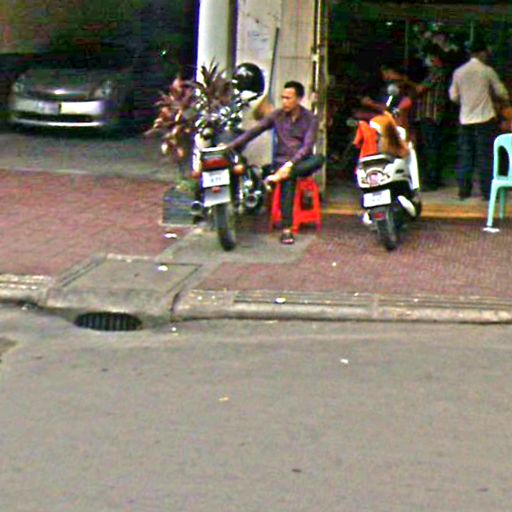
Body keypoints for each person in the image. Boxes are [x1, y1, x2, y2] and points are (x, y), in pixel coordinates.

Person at [228, 80, 324, 245]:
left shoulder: (310, 119)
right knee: (288, 179)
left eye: (288, 98)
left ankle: (278, 177)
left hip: (302, 163)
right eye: (283, 98)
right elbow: (254, 131)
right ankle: (287, 230)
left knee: (319, 159)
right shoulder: (277, 115)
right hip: (281, 162)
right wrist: (231, 145)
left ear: (299, 99)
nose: (284, 102)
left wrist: (291, 165)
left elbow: (307, 147)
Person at [449, 37, 509, 200]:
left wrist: (465, 101)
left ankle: (464, 191)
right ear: (482, 53)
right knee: (486, 156)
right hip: (485, 118)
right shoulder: (487, 71)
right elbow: (501, 92)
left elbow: (453, 96)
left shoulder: (459, 72)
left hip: (465, 119)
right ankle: (487, 192)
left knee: (465, 155)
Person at [390, 46, 450, 190]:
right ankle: (434, 178)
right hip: (427, 114)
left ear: (436, 58)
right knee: (432, 147)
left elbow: (420, 89)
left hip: (430, 114)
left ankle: (431, 181)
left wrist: (405, 80)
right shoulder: (435, 73)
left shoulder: (437, 73)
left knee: (430, 149)